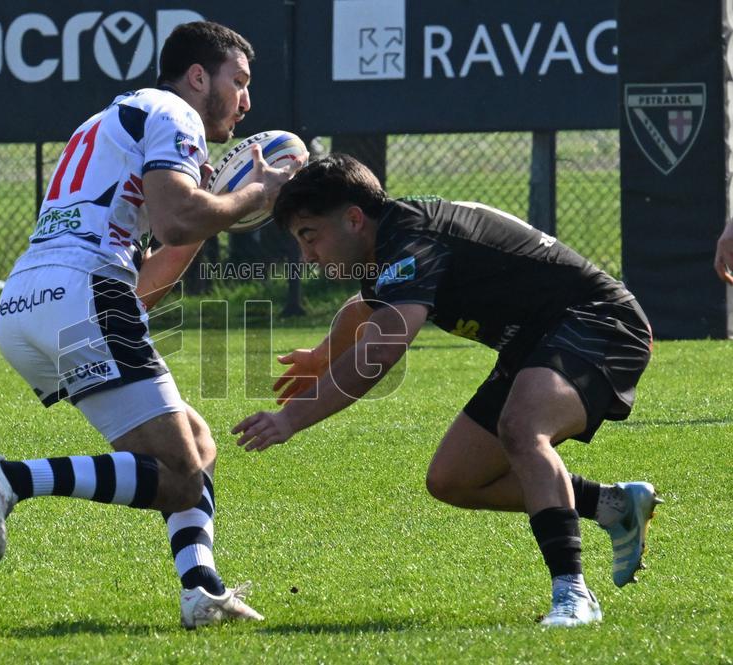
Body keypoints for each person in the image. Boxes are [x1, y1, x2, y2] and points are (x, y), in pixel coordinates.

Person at [0, 21, 302, 628]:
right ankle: (10, 478)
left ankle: (201, 590)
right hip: (83, 292)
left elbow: (154, 265)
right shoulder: (175, 112)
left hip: (26, 301)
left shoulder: (108, 120)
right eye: (239, 81)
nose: (246, 100)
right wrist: (257, 196)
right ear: (198, 77)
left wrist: (214, 211)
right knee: (180, 481)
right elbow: (176, 220)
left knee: (195, 444)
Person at [232, 154, 661, 628]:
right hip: (537, 340)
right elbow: (362, 309)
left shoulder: (412, 242)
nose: (307, 256)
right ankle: (611, 505)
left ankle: (573, 595)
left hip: (600, 322)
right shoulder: (388, 242)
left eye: (309, 236)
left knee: (523, 428)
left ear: (353, 219)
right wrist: (321, 356)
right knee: (454, 478)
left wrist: (290, 418)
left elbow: (381, 351)